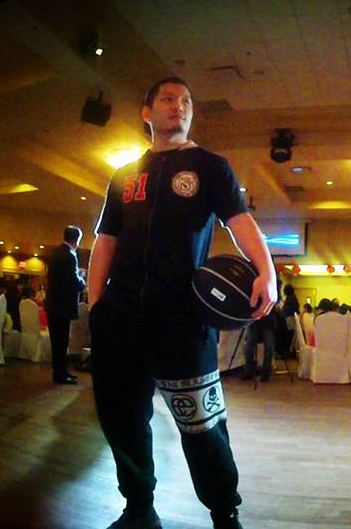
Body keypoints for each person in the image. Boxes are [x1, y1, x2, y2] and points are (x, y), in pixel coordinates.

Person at [87, 76, 277, 529]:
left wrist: (267, 270)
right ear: (147, 112)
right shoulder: (124, 175)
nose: (180, 106)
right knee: (122, 419)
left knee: (203, 424)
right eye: (168, 99)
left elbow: (239, 221)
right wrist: (96, 305)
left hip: (182, 319)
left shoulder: (210, 166)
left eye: (187, 101)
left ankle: (224, 512)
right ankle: (139, 507)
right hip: (120, 317)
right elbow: (106, 240)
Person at [44, 225, 86, 385]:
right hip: (62, 307)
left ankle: (60, 372)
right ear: (77, 239)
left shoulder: (56, 253)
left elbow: (60, 278)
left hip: (53, 305)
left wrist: (76, 274)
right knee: (61, 342)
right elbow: (73, 282)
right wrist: (82, 279)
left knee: (57, 342)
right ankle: (60, 375)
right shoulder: (69, 256)